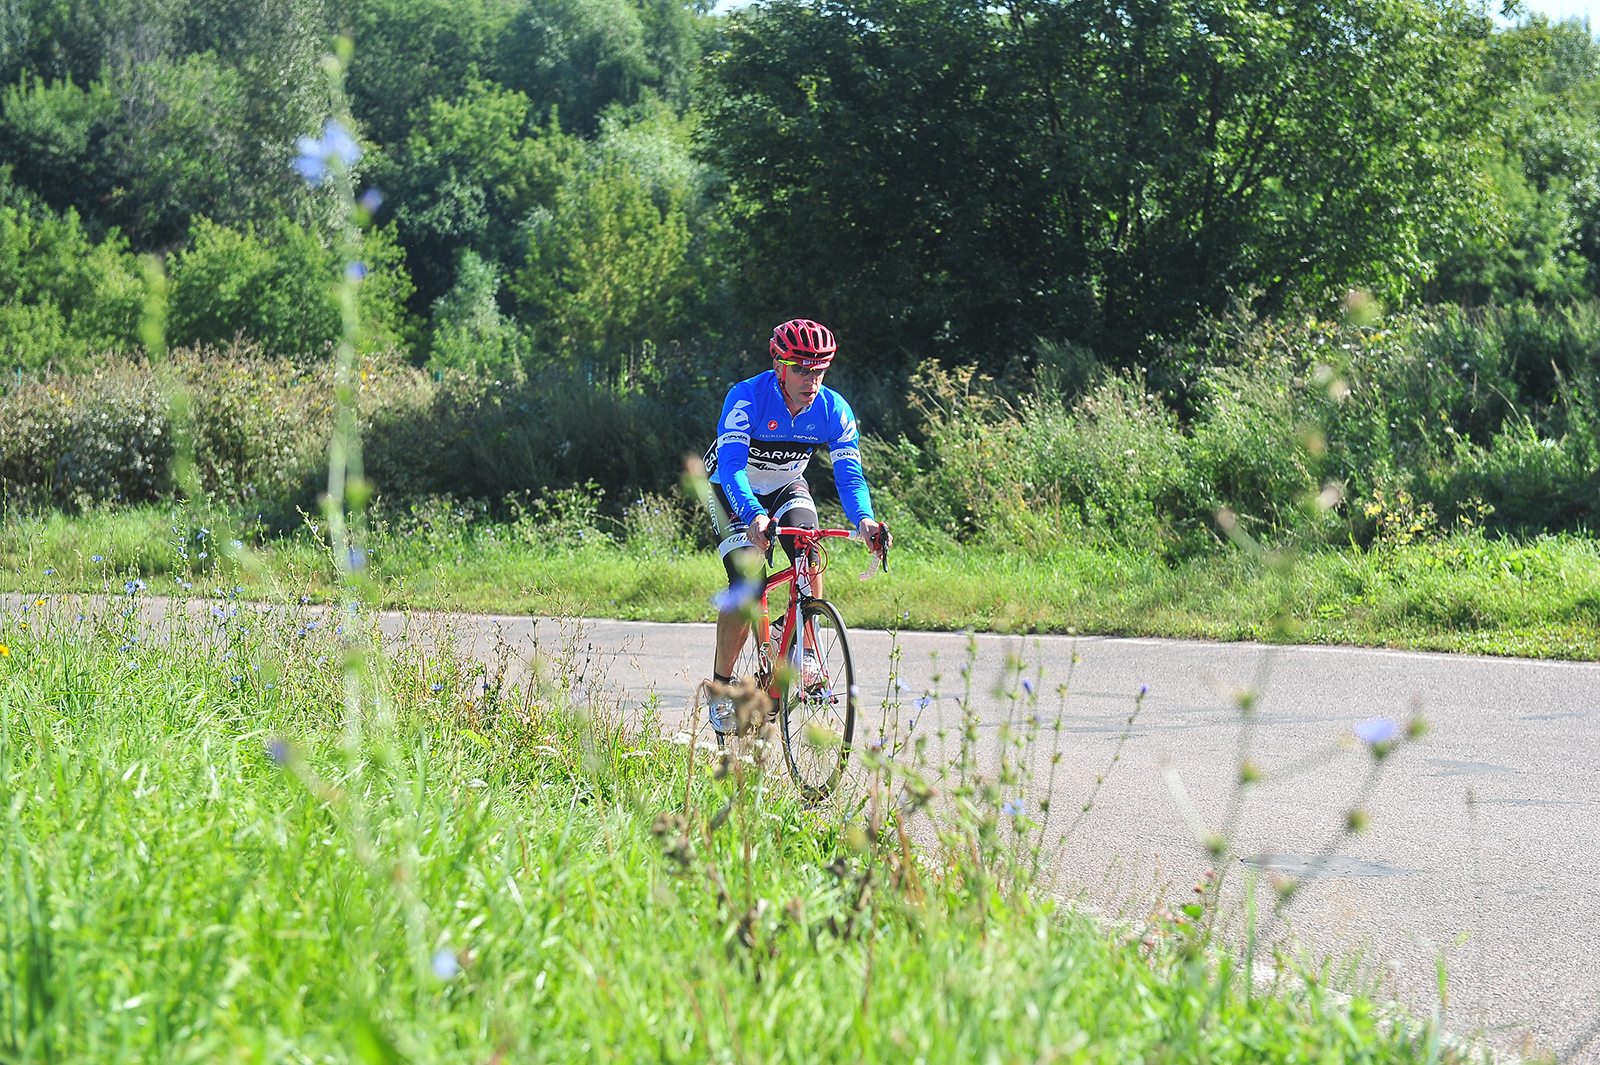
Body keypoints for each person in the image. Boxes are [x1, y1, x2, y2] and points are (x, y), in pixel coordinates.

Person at [703, 318, 889, 736]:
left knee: (809, 548)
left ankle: (805, 654)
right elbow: (731, 469)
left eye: (819, 370)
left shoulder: (833, 409)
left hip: (787, 485)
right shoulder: (747, 398)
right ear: (779, 366)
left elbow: (850, 477)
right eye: (802, 369)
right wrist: (753, 515)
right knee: (748, 582)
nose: (812, 380)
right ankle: (722, 687)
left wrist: (864, 521)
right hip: (733, 490)